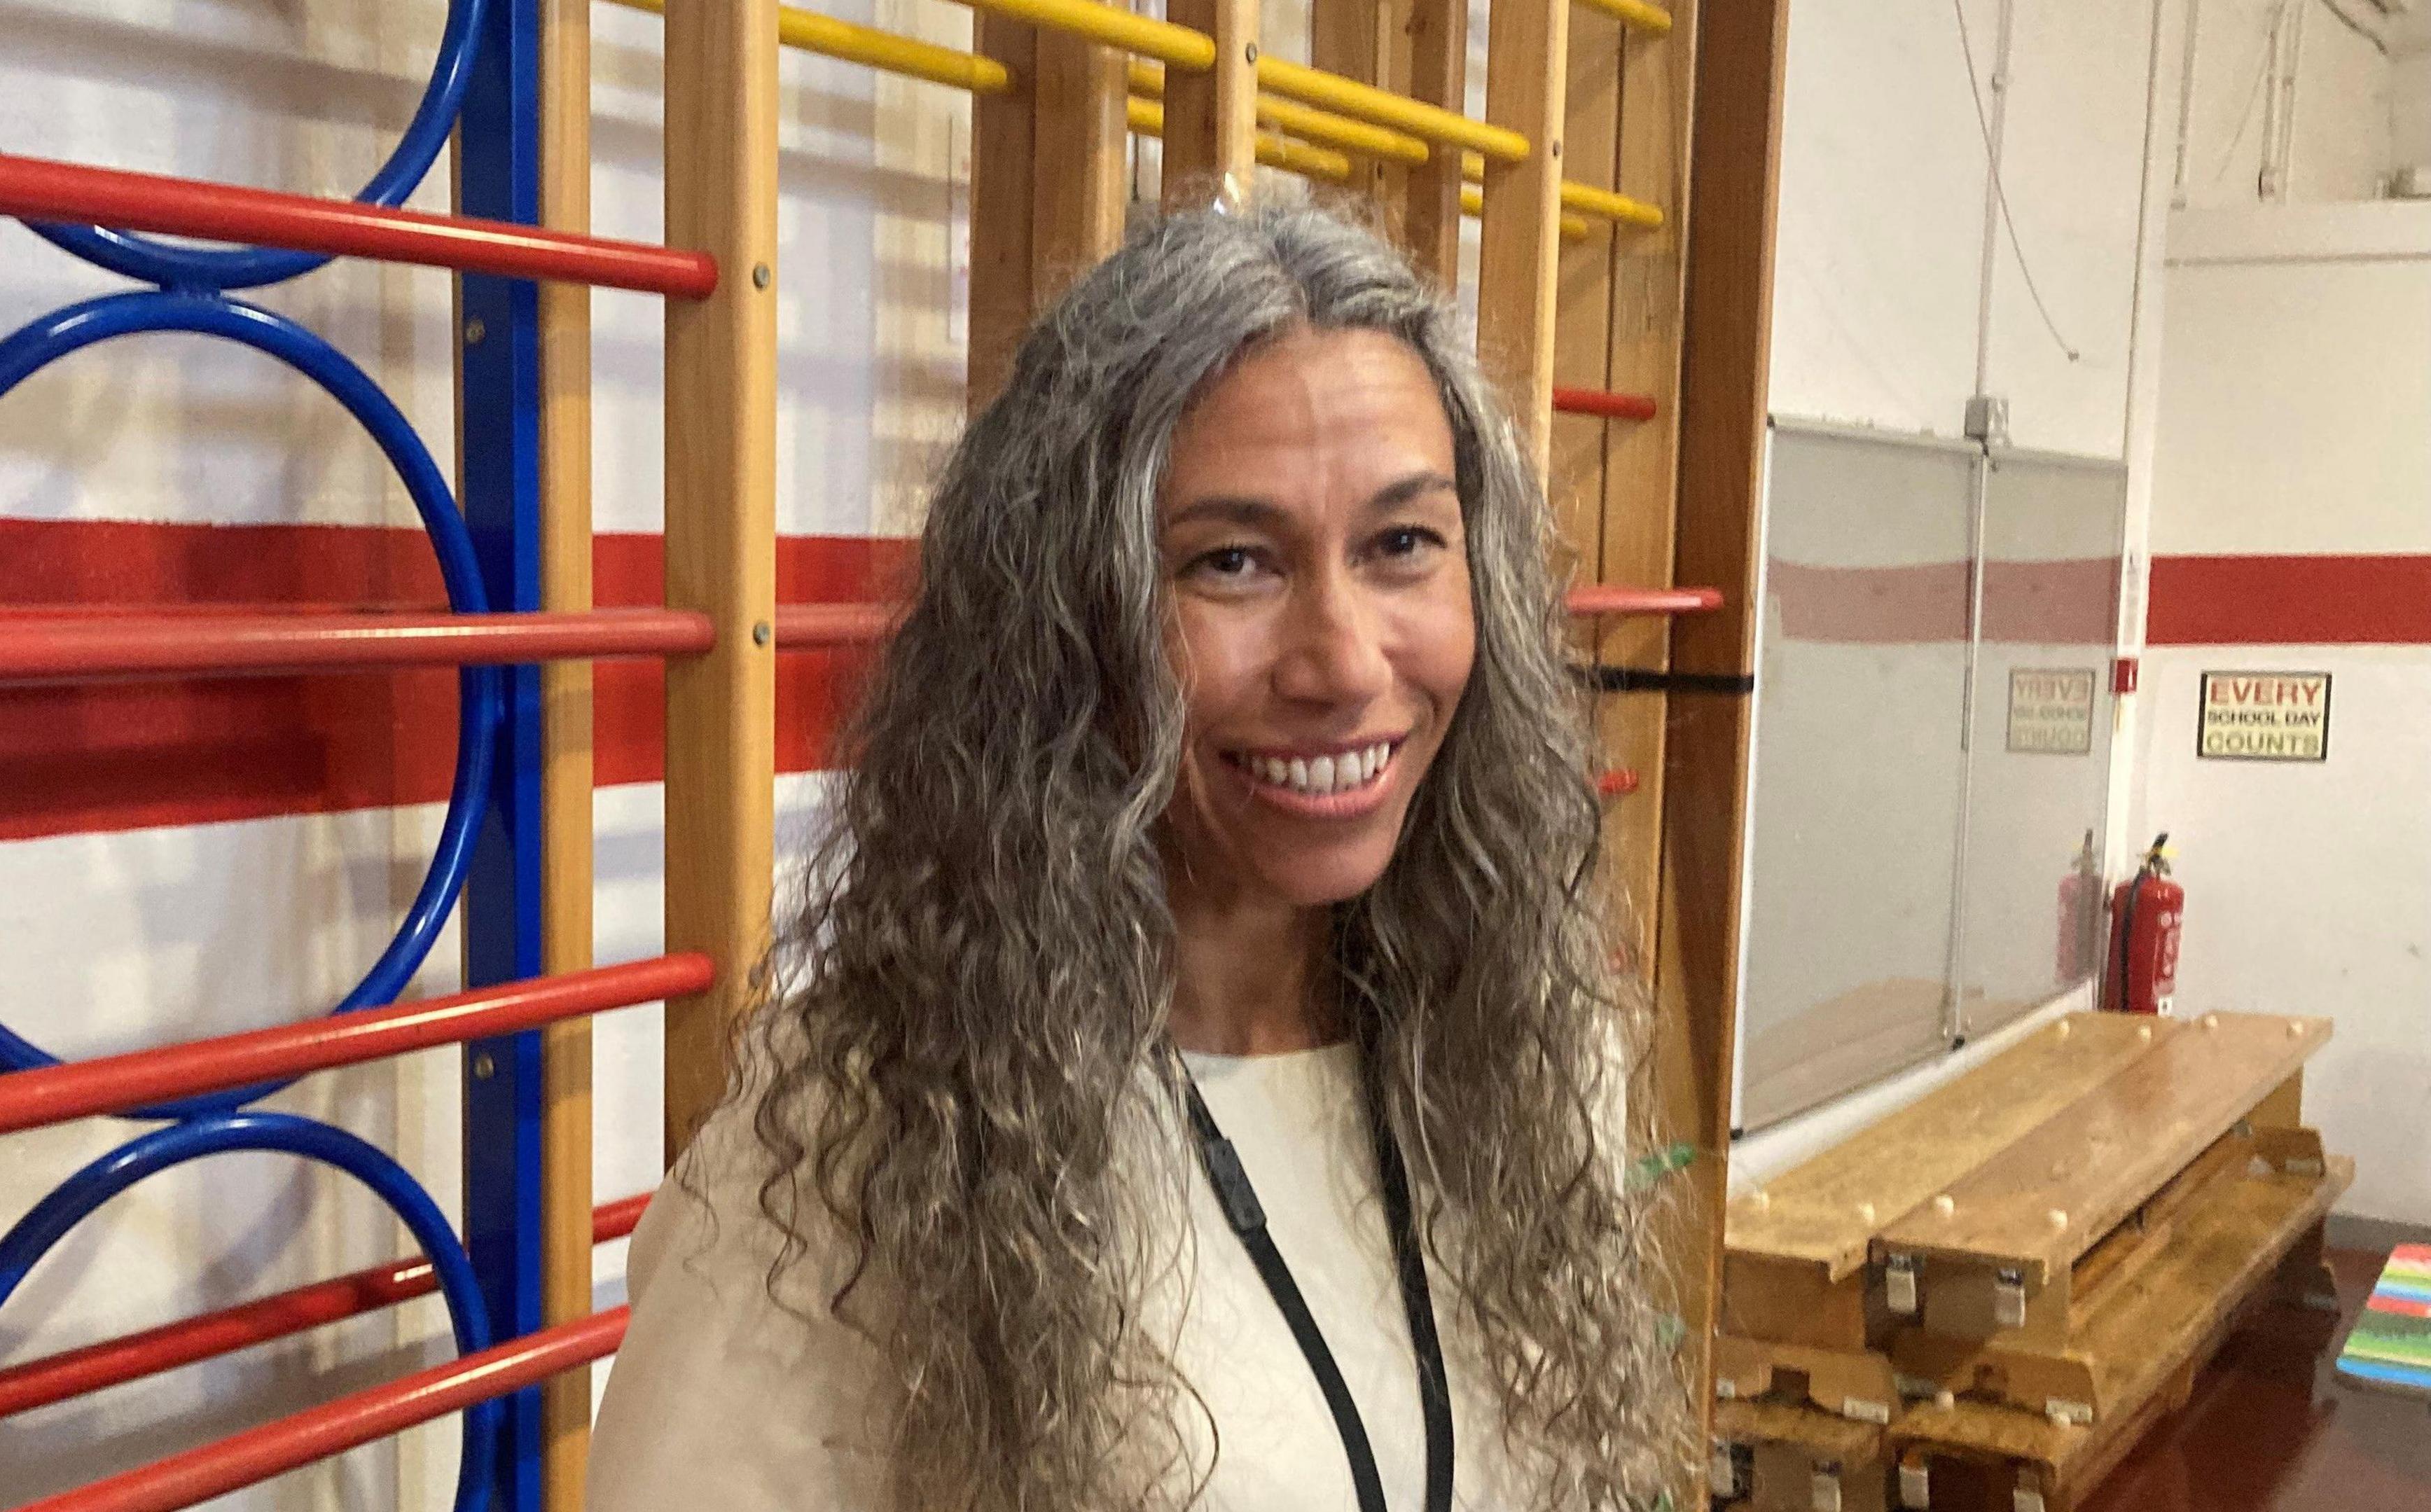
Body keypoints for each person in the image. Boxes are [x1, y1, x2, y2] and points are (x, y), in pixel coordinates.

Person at [586, 201, 1687, 1512]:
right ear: (1071, 625)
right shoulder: (864, 1138)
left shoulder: (1521, 1053)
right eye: (1232, 562)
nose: (1341, 663)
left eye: (1401, 545)